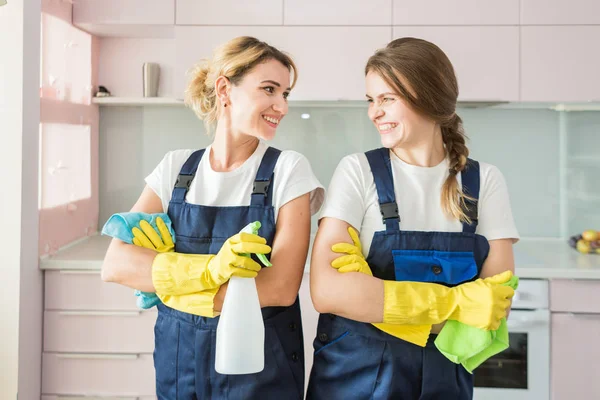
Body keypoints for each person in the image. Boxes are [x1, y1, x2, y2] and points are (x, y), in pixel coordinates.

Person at [101, 36, 324, 399]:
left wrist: (173, 289)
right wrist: (208, 274)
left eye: (285, 94)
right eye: (269, 89)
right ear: (225, 89)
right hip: (179, 364)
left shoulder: (288, 170)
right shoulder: (175, 168)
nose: (281, 106)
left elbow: (281, 288)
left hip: (259, 370)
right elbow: (116, 264)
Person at [307, 37, 518, 399]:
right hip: (354, 378)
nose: (375, 112)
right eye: (371, 100)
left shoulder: (485, 182)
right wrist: (455, 304)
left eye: (388, 99)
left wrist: (374, 299)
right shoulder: (358, 171)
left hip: (444, 382)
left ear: (429, 97)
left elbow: (495, 305)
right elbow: (328, 291)